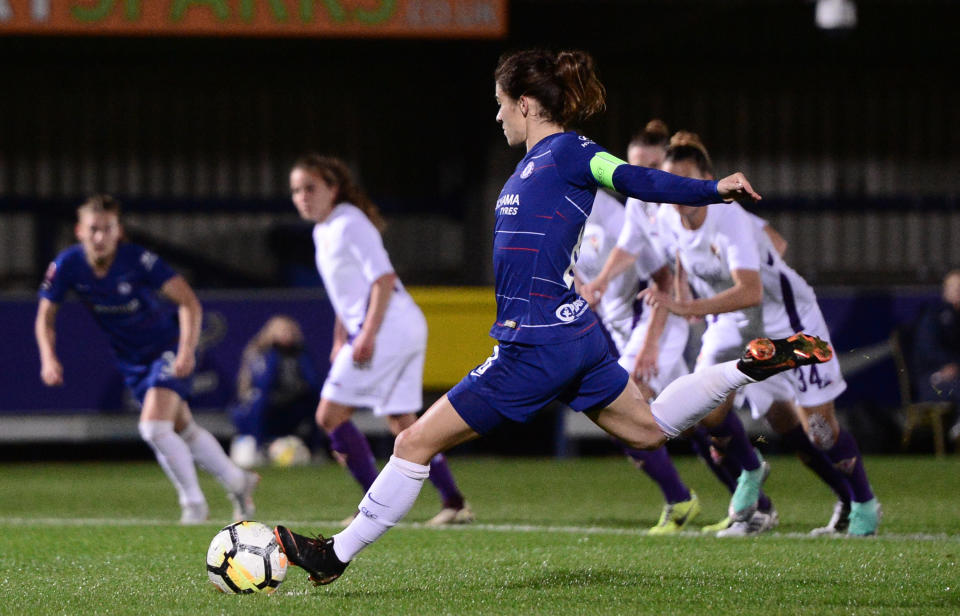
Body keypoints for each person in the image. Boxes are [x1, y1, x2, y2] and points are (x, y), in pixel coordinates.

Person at [273, 49, 832, 586]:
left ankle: (334, 554)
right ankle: (747, 366)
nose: (496, 115)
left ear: (525, 103)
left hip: (536, 342)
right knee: (650, 428)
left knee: (412, 443)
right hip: (572, 334)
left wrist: (712, 189)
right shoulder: (535, 163)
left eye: (499, 103)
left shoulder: (569, 151)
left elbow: (638, 180)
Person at [641, 132, 880, 536]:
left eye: (688, 180)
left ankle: (863, 504)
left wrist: (686, 307)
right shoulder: (667, 215)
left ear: (707, 178)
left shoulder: (729, 215)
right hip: (733, 323)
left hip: (787, 319)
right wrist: (683, 289)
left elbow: (751, 290)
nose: (680, 191)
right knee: (704, 412)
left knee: (818, 434)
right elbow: (682, 252)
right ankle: (752, 470)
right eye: (674, 181)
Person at [35, 194, 258, 524]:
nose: (100, 237)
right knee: (183, 428)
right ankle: (238, 480)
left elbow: (189, 303)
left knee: (153, 428)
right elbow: (45, 316)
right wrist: (48, 358)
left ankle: (193, 505)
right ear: (79, 230)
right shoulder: (67, 265)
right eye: (93, 229)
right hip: (131, 359)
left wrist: (185, 351)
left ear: (118, 231)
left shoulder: (138, 260)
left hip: (166, 347)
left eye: (107, 229)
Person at [288, 154, 473, 526]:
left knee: (329, 415)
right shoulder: (324, 230)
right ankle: (454, 502)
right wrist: (341, 336)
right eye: (296, 191)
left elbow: (383, 279)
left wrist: (367, 333)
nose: (302, 197)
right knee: (404, 423)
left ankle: (374, 509)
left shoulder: (349, 223)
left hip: (389, 326)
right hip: (398, 325)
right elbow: (348, 293)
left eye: (311, 188)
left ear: (333, 189)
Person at [576, 119, 702, 535]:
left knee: (624, 418)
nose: (639, 176)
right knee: (699, 417)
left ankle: (683, 499)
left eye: (648, 166)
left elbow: (659, 277)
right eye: (634, 166)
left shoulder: (618, 213)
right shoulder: (583, 207)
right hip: (620, 329)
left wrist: (648, 343)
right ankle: (745, 478)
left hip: (649, 324)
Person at [228, 315, 322, 467]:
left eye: (290, 331)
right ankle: (259, 449)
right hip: (263, 406)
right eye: (282, 331)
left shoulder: (300, 353)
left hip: (291, 405)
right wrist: (274, 354)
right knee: (260, 400)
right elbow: (263, 384)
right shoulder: (260, 352)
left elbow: (312, 383)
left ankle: (315, 449)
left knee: (316, 401)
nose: (287, 335)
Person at [913, 269, 960, 442]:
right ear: (945, 290)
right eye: (955, 288)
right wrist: (948, 366)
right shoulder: (933, 317)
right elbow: (928, 351)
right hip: (932, 380)